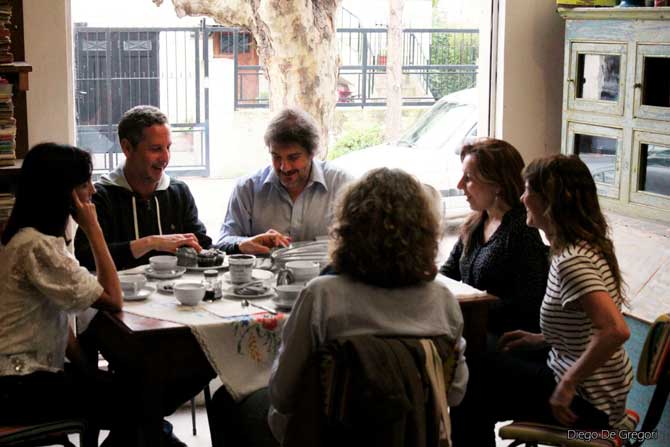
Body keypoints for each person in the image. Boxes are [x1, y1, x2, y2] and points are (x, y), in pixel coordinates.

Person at [212, 168, 469, 446]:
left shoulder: (323, 295)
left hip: (328, 436)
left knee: (226, 401)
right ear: (426, 231)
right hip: (411, 435)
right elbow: (455, 392)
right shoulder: (442, 299)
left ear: (348, 227)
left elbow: (283, 393)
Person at [450, 154, 634, 447]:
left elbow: (615, 330)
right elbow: (584, 324)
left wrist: (567, 386)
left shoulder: (572, 261)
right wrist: (540, 338)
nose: (522, 199)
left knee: (470, 387)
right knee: (477, 367)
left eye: (528, 191)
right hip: (596, 389)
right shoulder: (579, 246)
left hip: (587, 402)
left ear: (550, 201)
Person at [0, 143, 128, 445]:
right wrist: (94, 229)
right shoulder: (38, 246)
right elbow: (113, 298)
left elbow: (55, 318)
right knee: (138, 400)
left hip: (19, 378)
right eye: (85, 183)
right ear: (64, 191)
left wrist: (88, 372)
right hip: (18, 385)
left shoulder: (25, 236)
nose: (92, 191)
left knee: (126, 395)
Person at [74, 105, 211, 271]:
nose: (165, 158)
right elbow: (85, 256)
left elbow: (204, 246)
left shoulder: (179, 192)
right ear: (127, 148)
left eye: (168, 147)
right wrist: (151, 243)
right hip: (123, 295)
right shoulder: (100, 196)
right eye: (156, 149)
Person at [440, 138, 549, 335]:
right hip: (473, 328)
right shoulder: (475, 223)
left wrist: (468, 309)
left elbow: (527, 306)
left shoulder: (522, 231)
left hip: (503, 338)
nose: (459, 185)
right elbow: (448, 273)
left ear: (498, 184)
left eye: (469, 178)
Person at [215, 107, 354, 255]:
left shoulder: (342, 185)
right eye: (276, 157)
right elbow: (223, 241)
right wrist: (242, 244)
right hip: (264, 277)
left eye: (293, 158)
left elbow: (363, 242)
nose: (284, 167)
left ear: (312, 153)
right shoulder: (247, 188)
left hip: (323, 277)